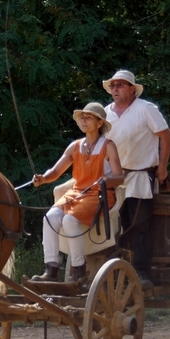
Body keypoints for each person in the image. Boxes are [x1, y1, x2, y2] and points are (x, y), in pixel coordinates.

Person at [30, 102, 124, 283]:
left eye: (88, 117)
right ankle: (51, 269)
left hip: (100, 195)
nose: (84, 120)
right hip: (76, 194)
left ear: (99, 123)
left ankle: (79, 271)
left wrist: (107, 180)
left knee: (70, 220)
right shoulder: (75, 146)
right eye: (82, 117)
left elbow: (119, 177)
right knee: (49, 218)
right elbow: (56, 172)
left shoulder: (108, 146)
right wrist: (43, 178)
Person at [103, 69, 170, 289]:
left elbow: (166, 135)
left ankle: (142, 273)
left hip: (140, 176)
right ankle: (113, 271)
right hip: (113, 178)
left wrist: (162, 167)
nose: (115, 89)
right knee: (112, 226)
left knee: (139, 226)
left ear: (132, 89)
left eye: (120, 85)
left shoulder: (146, 109)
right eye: (113, 85)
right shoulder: (105, 113)